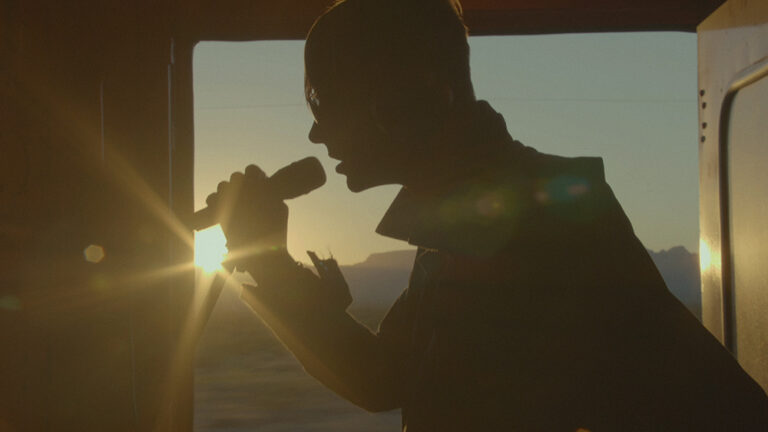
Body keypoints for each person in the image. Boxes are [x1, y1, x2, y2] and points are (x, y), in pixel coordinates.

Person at [205, 0, 768, 430]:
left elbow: (384, 379)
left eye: (325, 104)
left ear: (405, 102)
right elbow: (388, 374)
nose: (315, 132)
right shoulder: (470, 215)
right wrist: (270, 262)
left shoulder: (526, 225)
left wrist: (269, 260)